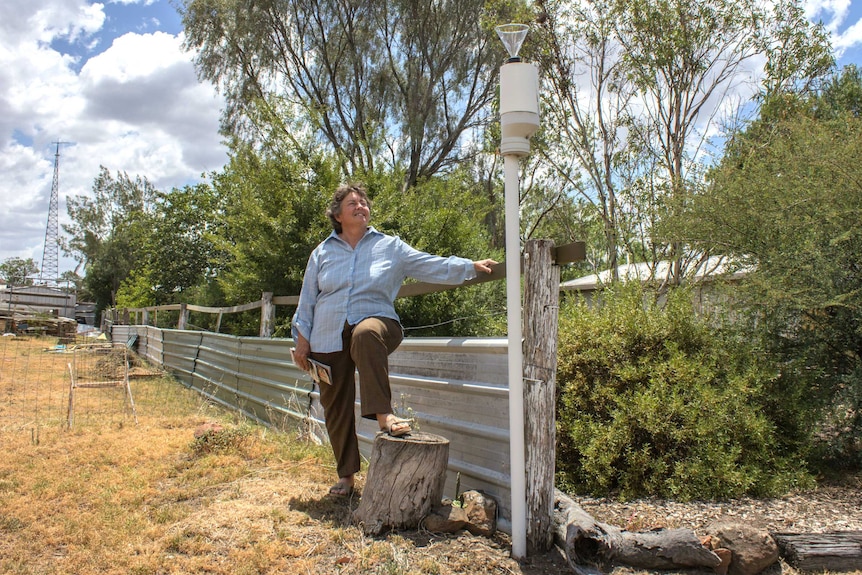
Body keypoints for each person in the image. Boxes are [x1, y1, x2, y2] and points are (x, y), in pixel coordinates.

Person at [291, 183, 497, 497]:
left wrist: (468, 267)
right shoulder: (322, 252)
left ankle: (383, 414)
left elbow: (430, 264)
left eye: (363, 202)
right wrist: (302, 341)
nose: (360, 206)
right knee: (335, 406)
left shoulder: (390, 246)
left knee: (366, 333)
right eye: (352, 203)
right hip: (326, 335)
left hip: (377, 323)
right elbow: (308, 300)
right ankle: (345, 477)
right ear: (337, 214)